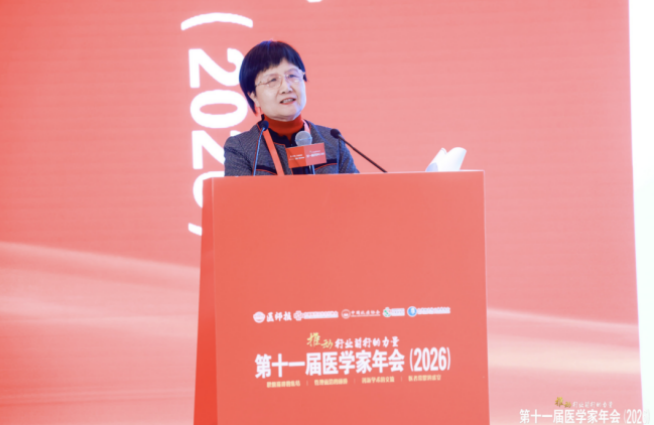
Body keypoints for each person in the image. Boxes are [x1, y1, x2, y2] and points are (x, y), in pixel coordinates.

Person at [224, 41, 359, 176]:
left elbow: (357, 189)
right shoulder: (241, 148)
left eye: (292, 75)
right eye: (272, 80)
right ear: (254, 96)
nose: (286, 88)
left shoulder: (333, 141)